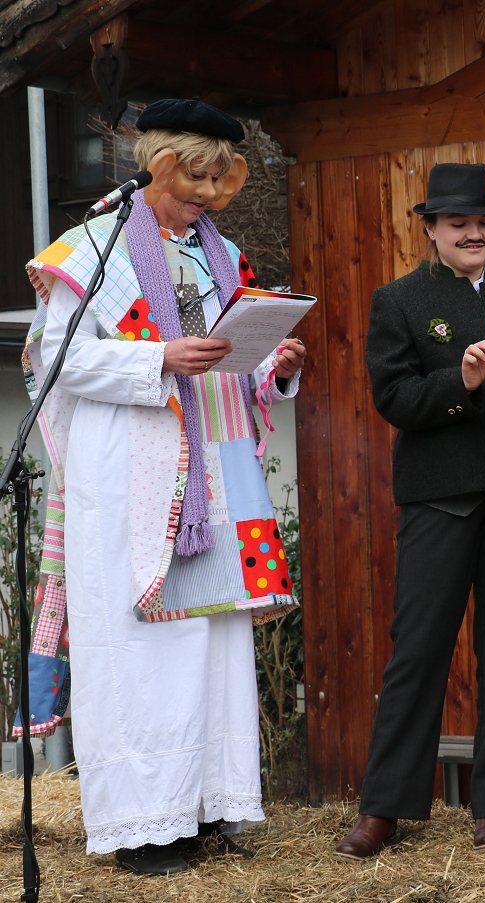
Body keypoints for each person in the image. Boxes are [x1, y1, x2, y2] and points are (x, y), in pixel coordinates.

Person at [20, 98, 306, 874]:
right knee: (141, 648)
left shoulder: (224, 254)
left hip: (217, 467)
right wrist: (157, 359)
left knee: (214, 643)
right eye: (195, 181)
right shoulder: (90, 250)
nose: (207, 197)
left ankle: (207, 807)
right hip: (132, 468)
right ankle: (145, 824)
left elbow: (234, 358)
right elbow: (58, 362)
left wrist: (273, 364)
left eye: (219, 182)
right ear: (159, 166)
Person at [334, 163, 485, 859]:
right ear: (430, 228)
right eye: (459, 223)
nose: (474, 233)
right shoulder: (397, 300)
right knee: (419, 651)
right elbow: (394, 399)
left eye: (484, 222)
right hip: (440, 498)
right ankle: (384, 809)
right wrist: (460, 382)